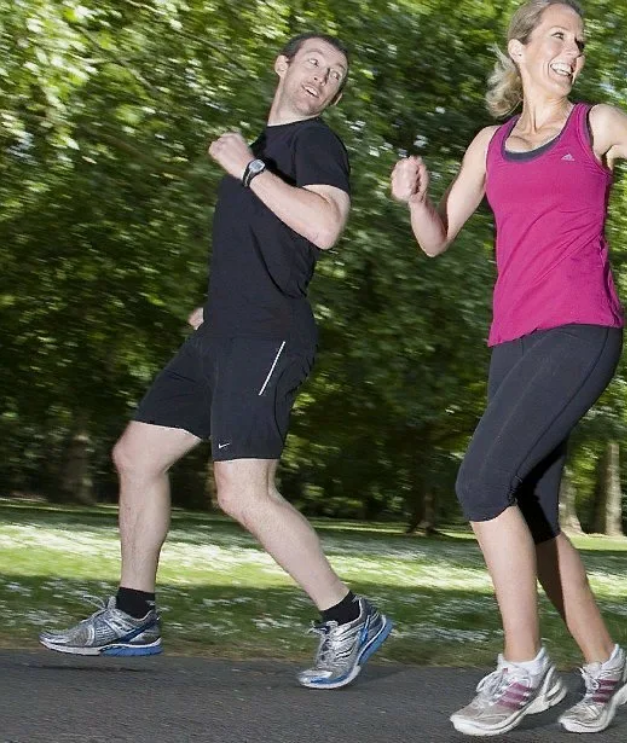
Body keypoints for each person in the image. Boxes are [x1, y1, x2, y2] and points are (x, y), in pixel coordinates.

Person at [390, 0, 627, 735]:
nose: (574, 51)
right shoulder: (489, 145)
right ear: (521, 49)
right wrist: (416, 200)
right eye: (559, 37)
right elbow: (436, 240)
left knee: (478, 482)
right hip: (513, 342)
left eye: (580, 42)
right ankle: (606, 666)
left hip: (581, 329)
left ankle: (524, 667)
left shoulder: (596, 125)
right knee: (530, 515)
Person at [39, 32, 391, 690]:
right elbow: (261, 249)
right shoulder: (258, 150)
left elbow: (323, 227)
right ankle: (135, 612)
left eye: (336, 72)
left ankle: (349, 616)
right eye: (313, 62)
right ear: (281, 66)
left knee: (241, 492)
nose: (323, 76)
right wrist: (216, 304)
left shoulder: (312, 144)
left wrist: (247, 170)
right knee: (135, 457)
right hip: (223, 331)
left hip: (268, 337)